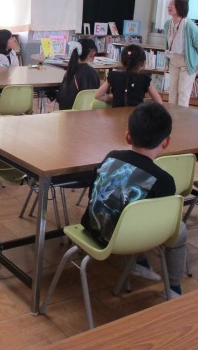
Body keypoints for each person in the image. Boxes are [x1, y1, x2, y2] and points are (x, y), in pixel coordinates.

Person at [80, 102, 187, 297]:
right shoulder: (164, 180)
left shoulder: (111, 156)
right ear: (166, 142)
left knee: (132, 209)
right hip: (126, 240)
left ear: (128, 136)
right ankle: (173, 288)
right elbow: (160, 224)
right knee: (179, 229)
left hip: (93, 226)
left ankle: (141, 262)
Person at [164, 0, 198, 107]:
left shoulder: (189, 25)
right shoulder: (168, 23)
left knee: (183, 92)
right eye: (169, 3)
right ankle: (172, 114)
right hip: (173, 59)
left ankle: (182, 116)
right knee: (172, 91)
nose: (169, 6)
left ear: (180, 7)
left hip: (187, 61)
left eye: (172, 4)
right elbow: (167, 43)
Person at [95, 44, 162, 107]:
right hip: (137, 114)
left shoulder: (113, 76)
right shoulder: (145, 79)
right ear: (143, 63)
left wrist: (116, 98)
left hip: (116, 114)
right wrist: (142, 101)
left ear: (122, 62)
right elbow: (159, 102)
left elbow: (98, 95)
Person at [56, 38, 100, 110]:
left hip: (64, 113)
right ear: (92, 53)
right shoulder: (90, 72)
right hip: (80, 114)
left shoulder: (70, 70)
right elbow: (93, 98)